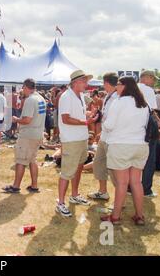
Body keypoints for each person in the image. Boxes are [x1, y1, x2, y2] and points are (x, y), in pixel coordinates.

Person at [101, 76, 149, 225]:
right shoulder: (143, 104)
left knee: (122, 183)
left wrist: (103, 121)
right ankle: (139, 215)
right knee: (136, 182)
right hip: (140, 145)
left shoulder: (119, 102)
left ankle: (115, 217)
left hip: (121, 145)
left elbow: (109, 125)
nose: (117, 87)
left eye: (119, 84)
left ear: (124, 86)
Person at [56, 70, 98, 217]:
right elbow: (66, 119)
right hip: (71, 139)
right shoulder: (66, 96)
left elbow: (77, 115)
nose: (87, 84)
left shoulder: (79, 95)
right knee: (67, 172)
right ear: (76, 82)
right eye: (85, 81)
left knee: (79, 167)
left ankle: (74, 195)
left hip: (81, 137)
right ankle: (60, 203)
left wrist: (88, 115)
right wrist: (86, 121)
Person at [2, 78, 46, 194]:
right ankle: (34, 185)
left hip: (28, 135)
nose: (22, 90)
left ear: (26, 87)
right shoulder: (40, 98)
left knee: (21, 160)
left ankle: (16, 186)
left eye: (23, 87)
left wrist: (16, 119)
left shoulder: (30, 100)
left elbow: (27, 120)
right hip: (37, 134)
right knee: (32, 160)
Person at [88, 72, 119, 201]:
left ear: (106, 83)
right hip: (105, 136)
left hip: (113, 138)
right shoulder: (108, 96)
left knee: (115, 169)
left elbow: (115, 119)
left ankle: (120, 198)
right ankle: (102, 191)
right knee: (99, 163)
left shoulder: (118, 97)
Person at [137, 70, 159, 198]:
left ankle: (130, 187)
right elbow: (152, 110)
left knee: (134, 158)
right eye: (153, 79)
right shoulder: (148, 90)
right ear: (146, 78)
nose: (154, 82)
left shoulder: (132, 87)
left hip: (134, 128)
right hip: (147, 126)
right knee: (149, 158)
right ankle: (146, 189)